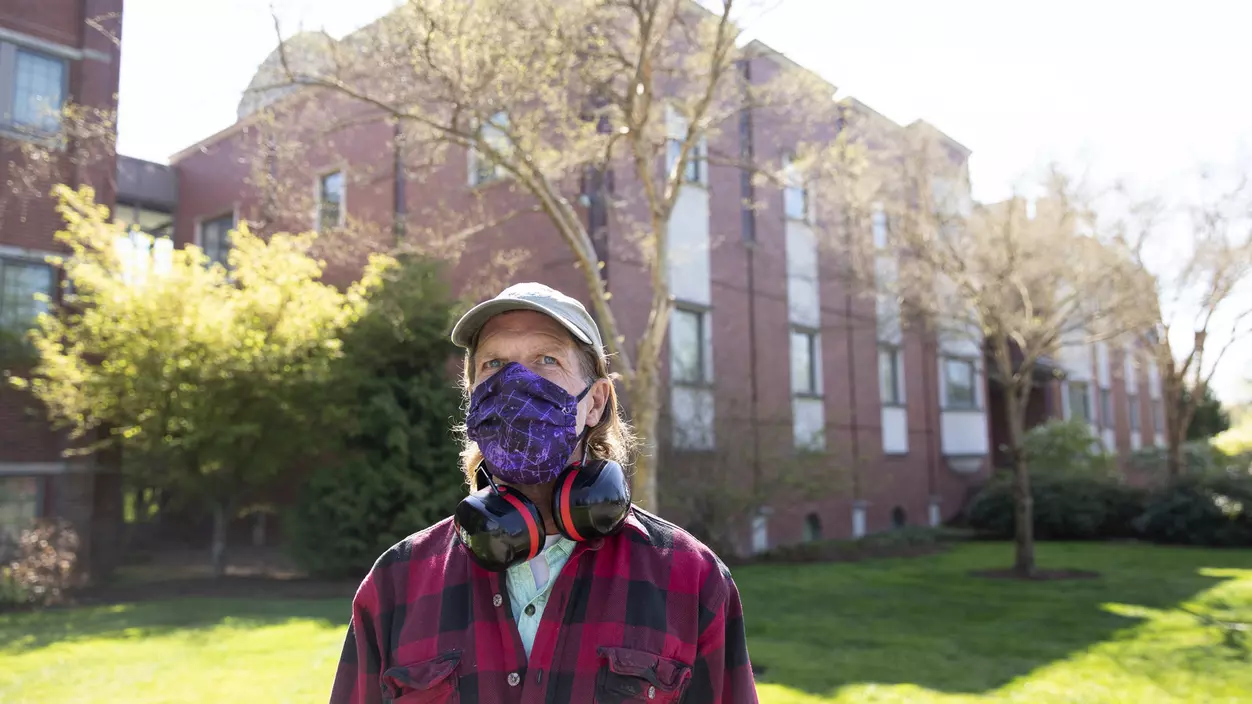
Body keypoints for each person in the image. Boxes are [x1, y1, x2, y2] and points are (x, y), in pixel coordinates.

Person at [329, 282, 757, 703]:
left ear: (594, 403)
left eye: (547, 359)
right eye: (494, 364)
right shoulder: (396, 584)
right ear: (472, 402)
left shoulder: (691, 578)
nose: (515, 383)